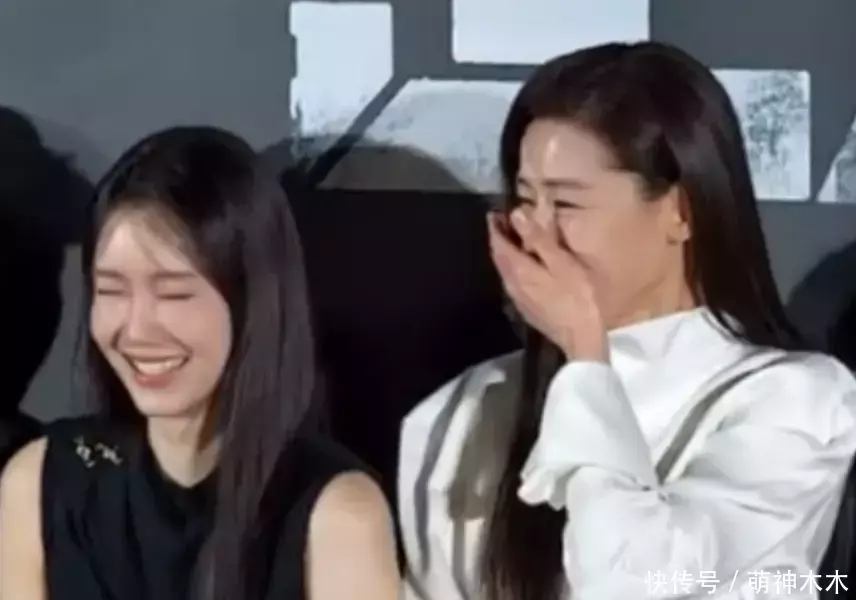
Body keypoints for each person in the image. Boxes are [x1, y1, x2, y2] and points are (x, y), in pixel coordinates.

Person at [398, 41, 856, 600]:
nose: (533, 234)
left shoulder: (795, 400)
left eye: (566, 205)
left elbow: (639, 582)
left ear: (681, 212)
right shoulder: (462, 410)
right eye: (524, 201)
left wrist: (585, 356)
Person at [0, 126, 400, 600]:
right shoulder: (41, 483)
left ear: (252, 301)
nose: (136, 330)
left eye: (174, 294)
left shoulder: (335, 517)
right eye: (111, 290)